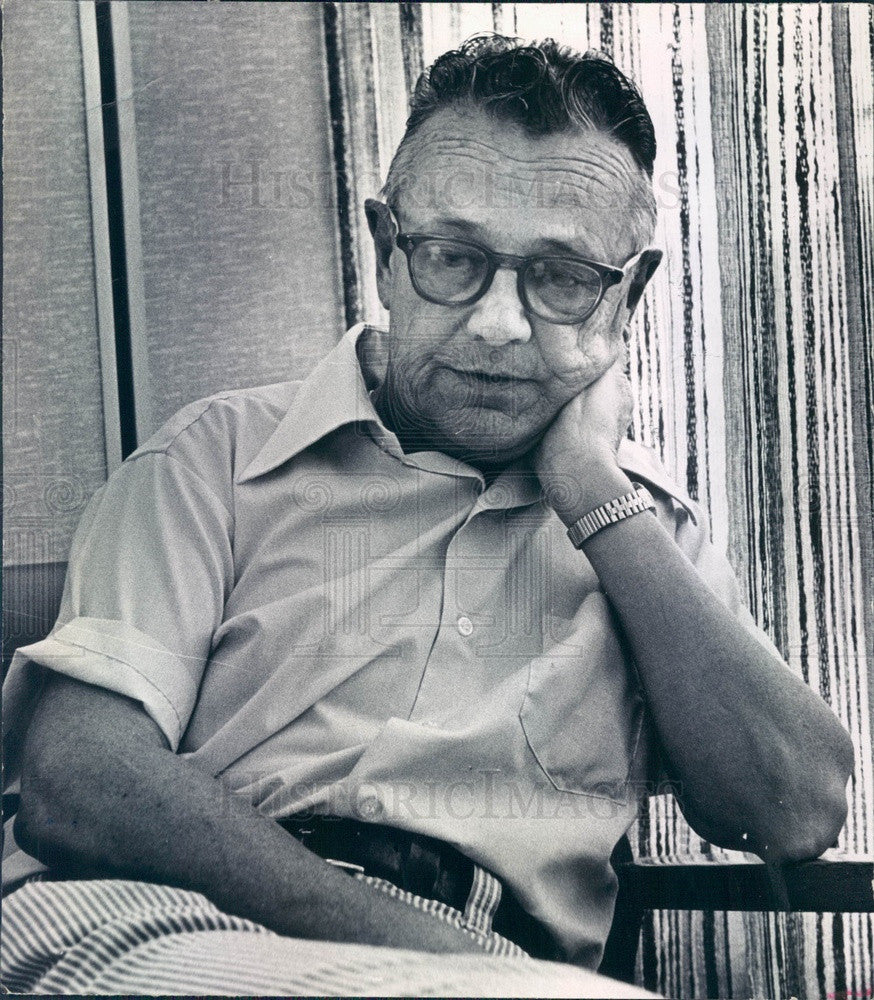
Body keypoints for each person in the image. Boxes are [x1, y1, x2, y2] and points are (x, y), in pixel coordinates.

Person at [2, 34, 853, 994]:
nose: (498, 325)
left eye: (563, 279)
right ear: (384, 253)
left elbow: (795, 810)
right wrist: (434, 953)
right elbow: (77, 780)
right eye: (452, 258)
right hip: (153, 923)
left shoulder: (646, 532)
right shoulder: (214, 456)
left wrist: (590, 493)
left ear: (629, 298)